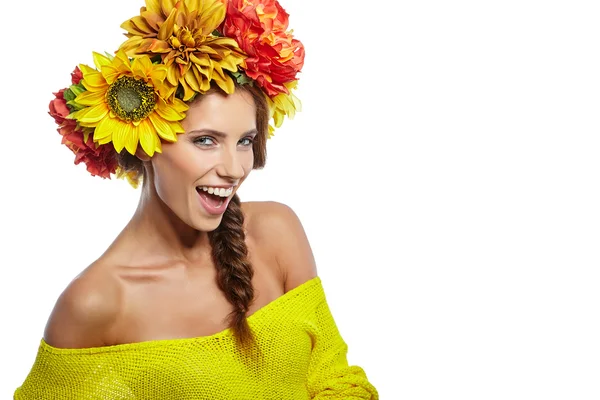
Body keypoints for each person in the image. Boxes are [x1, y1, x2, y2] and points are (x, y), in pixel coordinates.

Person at [14, 0, 379, 398]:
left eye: (244, 142)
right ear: (144, 143)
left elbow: (338, 380)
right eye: (205, 141)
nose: (235, 168)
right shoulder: (95, 304)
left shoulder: (276, 233)